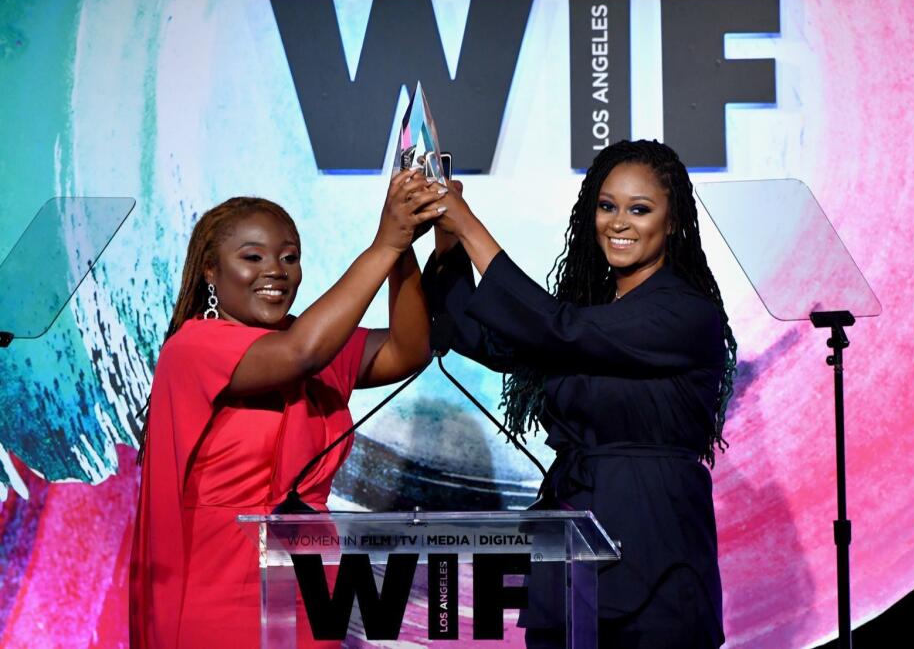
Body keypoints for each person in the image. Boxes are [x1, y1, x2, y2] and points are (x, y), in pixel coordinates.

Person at [422, 139, 738, 648]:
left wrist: (470, 224)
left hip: (654, 550)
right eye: (607, 206)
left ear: (674, 220)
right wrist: (447, 240)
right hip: (570, 539)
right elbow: (484, 338)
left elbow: (560, 330)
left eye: (640, 209)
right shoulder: (589, 313)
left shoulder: (684, 311)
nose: (618, 222)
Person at [130, 170, 446, 649]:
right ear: (211, 271)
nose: (275, 269)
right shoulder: (195, 346)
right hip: (217, 585)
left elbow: (409, 349)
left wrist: (403, 251)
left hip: (310, 581)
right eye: (252, 257)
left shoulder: (312, 338)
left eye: (289, 257)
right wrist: (383, 244)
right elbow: (302, 354)